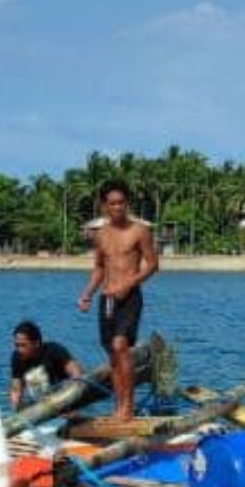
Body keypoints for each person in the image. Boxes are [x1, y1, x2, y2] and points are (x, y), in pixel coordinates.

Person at [76, 179, 159, 420]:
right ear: (104, 206)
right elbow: (99, 269)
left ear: (127, 204)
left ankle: (128, 408)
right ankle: (118, 405)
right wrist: (87, 295)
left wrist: (128, 283)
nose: (118, 207)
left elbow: (153, 265)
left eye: (122, 203)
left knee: (121, 346)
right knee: (112, 355)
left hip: (131, 297)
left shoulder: (139, 231)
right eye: (112, 203)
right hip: (107, 299)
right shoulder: (100, 235)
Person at [7, 320, 83, 410]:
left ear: (36, 343)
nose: (19, 350)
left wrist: (68, 396)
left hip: (64, 390)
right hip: (43, 398)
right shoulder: (17, 358)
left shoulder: (54, 350)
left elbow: (76, 373)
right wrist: (15, 408)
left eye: (23, 345)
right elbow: (16, 388)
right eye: (17, 345)